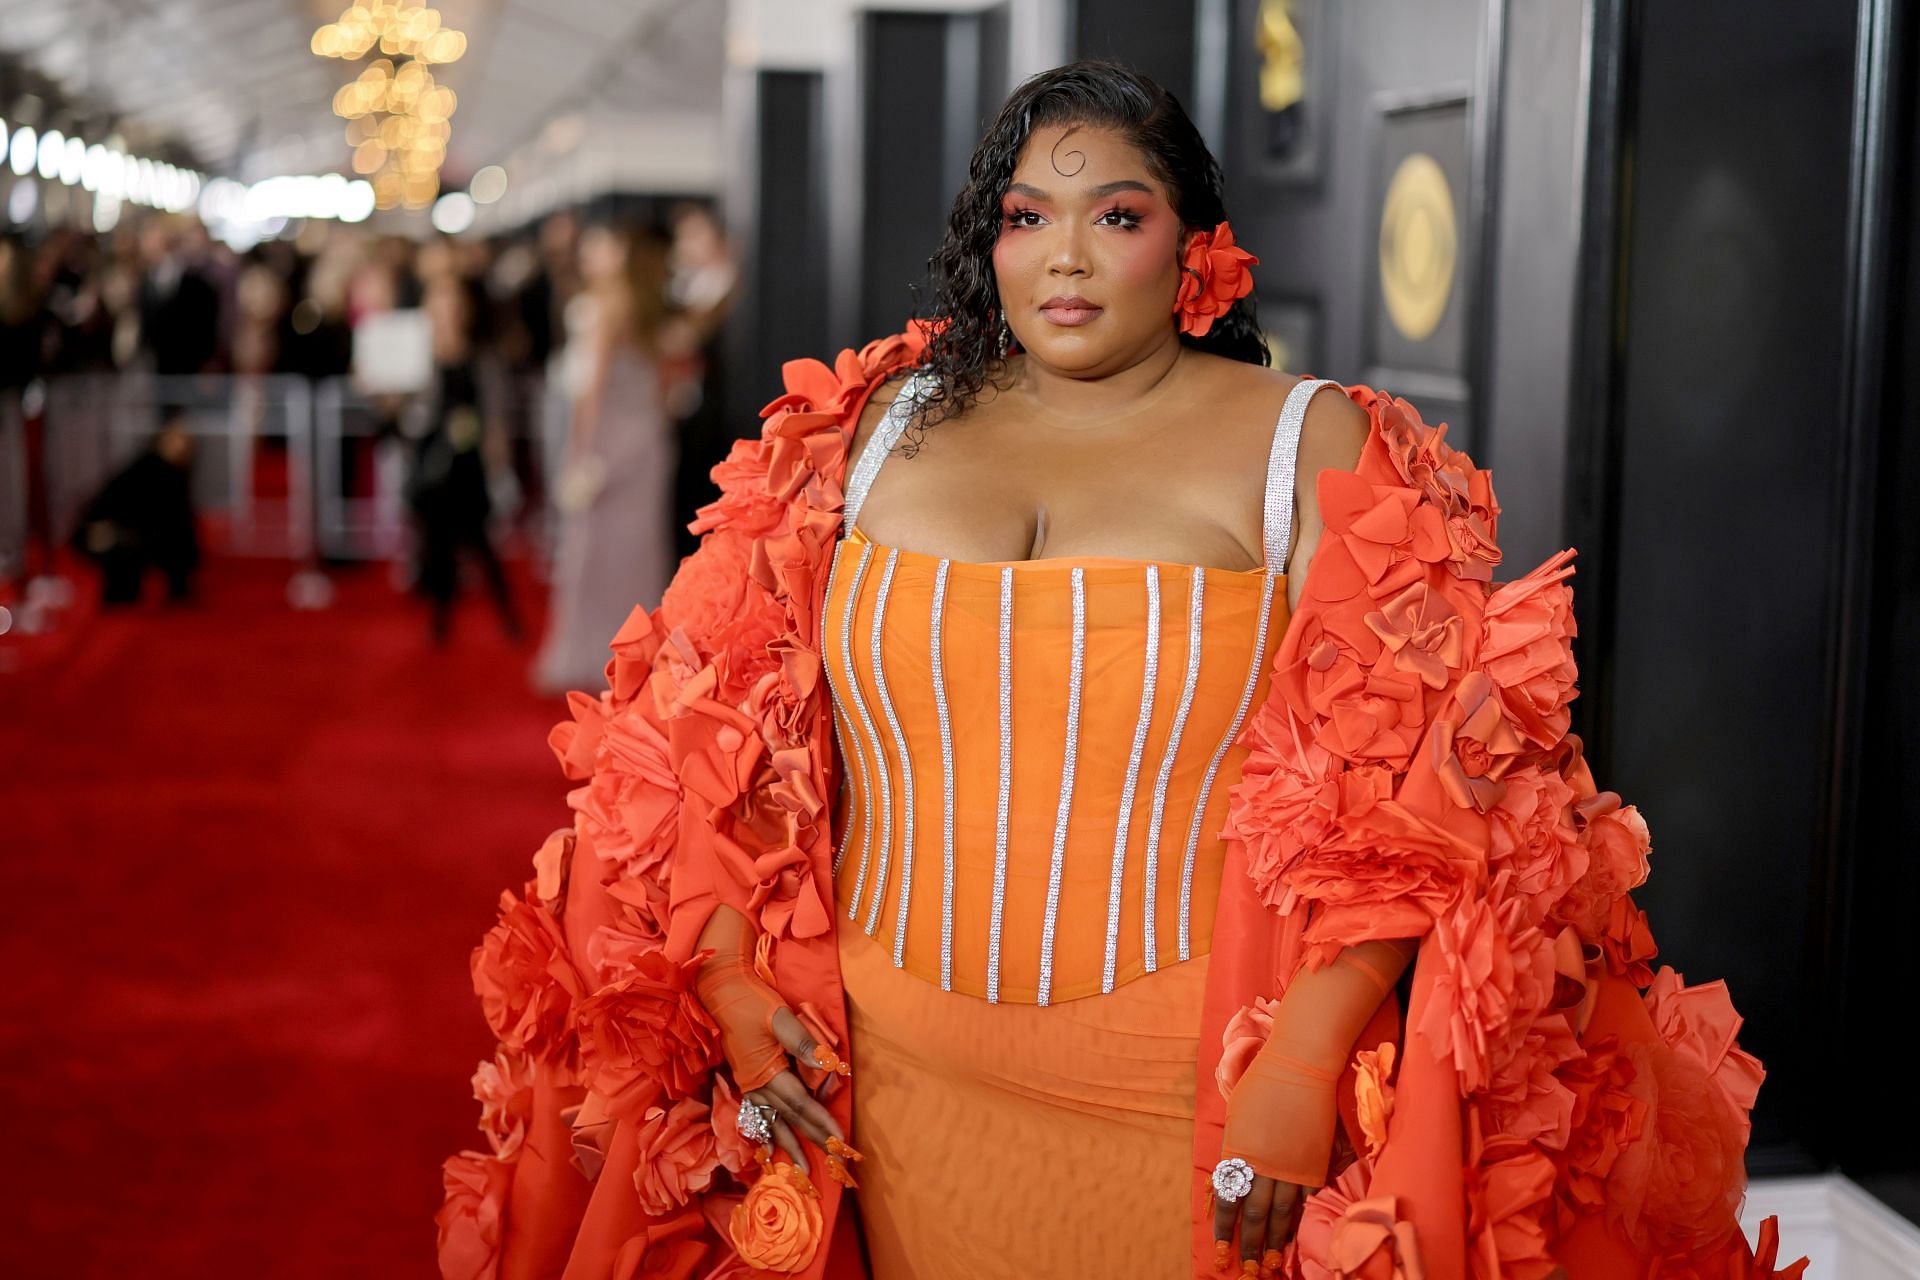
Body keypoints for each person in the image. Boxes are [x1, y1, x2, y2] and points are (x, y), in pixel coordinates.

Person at [437, 62, 1803, 1280]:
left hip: (1187, 1094)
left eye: (1118, 214)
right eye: (1028, 216)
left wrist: (1310, 1055)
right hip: (878, 1079)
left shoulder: (1311, 444)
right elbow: (717, 731)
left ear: (1197, 246)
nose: (1065, 260)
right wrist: (732, 986)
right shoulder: (859, 431)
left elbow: (1428, 783)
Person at [531, 222, 677, 694]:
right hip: (644, 439)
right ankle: (638, 650)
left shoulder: (608, 307)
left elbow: (589, 390)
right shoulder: (640, 303)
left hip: (612, 441)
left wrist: (580, 450)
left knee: (593, 549)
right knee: (633, 548)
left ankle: (598, 650)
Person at [406, 273, 523, 645]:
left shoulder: (481, 358)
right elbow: (405, 415)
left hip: (470, 468)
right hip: (432, 464)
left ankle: (508, 617)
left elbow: (495, 417)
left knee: (482, 544)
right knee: (437, 545)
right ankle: (440, 622)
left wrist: (500, 466)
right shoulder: (418, 359)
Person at [72, 417, 200, 605]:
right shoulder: (147, 470)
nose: (181, 448)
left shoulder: (176, 475)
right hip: (115, 534)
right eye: (175, 440)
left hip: (140, 533)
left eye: (186, 443)